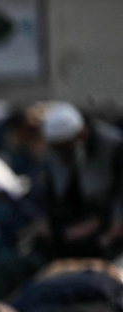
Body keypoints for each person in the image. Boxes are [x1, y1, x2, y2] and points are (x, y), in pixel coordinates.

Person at [34, 101, 123, 258]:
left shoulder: (113, 146)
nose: (60, 155)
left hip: (106, 221)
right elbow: (48, 190)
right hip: (72, 222)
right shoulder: (53, 156)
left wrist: (111, 222)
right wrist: (44, 220)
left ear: (82, 136)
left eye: (65, 148)